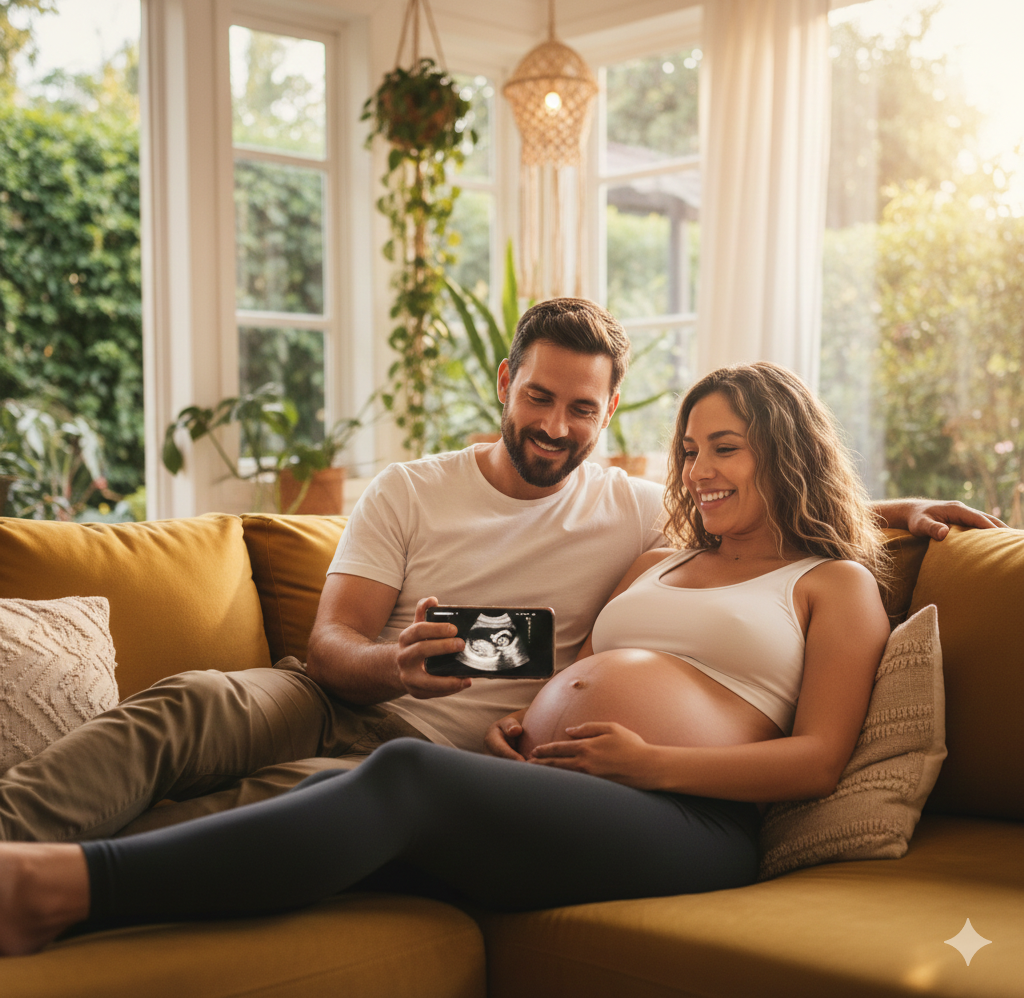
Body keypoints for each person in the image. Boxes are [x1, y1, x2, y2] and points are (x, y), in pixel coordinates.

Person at [0, 300, 1002, 846]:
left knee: (280, 793)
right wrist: (396, 661)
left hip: (471, 755)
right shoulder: (410, 489)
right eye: (540, 396)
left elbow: (765, 511)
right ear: (504, 386)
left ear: (607, 419)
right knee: (188, 707)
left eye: (582, 410)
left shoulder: (629, 507)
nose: (556, 425)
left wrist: (895, 512)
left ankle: (70, 872)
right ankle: (16, 834)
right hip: (335, 697)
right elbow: (328, 643)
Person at [0, 360, 911, 953]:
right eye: (689, 450)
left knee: (409, 776)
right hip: (567, 788)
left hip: (689, 819)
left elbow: (818, 760)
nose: (700, 470)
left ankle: (70, 889)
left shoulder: (833, 585)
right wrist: (527, 717)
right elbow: (580, 670)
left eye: (726, 449)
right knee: (319, 785)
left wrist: (652, 760)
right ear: (508, 388)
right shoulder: (660, 554)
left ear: (784, 454)